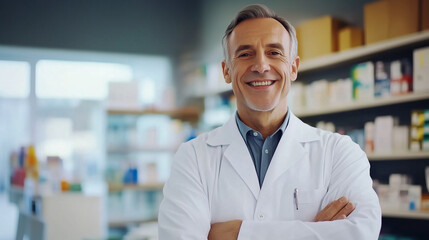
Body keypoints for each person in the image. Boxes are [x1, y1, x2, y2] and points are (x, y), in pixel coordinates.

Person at [158, 4, 381, 240]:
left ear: (293, 67)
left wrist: (237, 233)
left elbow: (361, 233)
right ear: (226, 71)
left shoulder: (339, 152)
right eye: (245, 54)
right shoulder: (193, 157)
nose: (261, 66)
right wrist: (316, 230)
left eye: (274, 52)